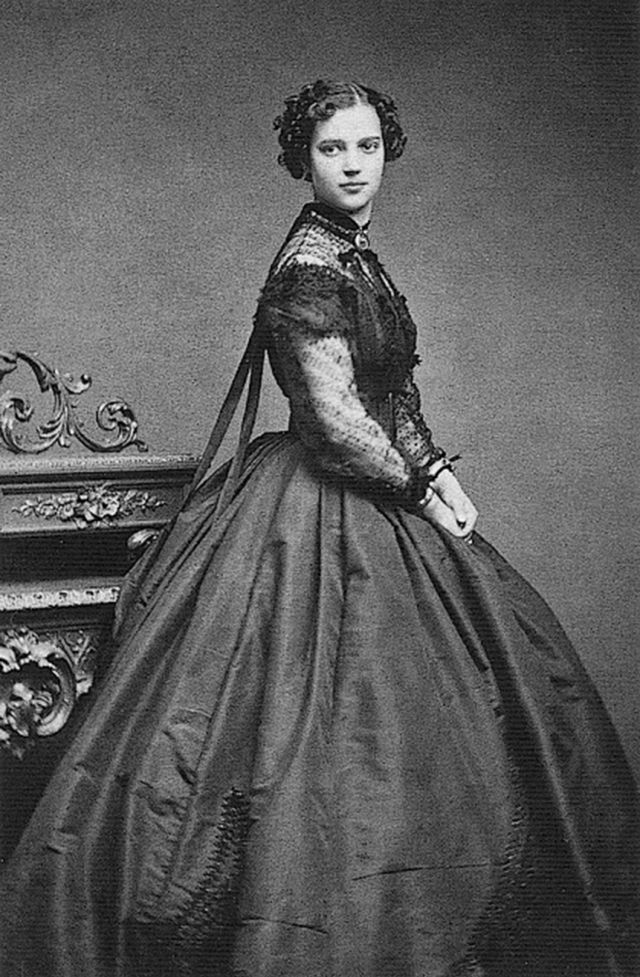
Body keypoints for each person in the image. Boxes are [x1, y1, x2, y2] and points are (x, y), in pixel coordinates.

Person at [0, 79, 638, 977]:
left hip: (379, 494)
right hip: (311, 506)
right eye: (333, 149)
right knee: (305, 726)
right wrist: (418, 486)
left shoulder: (355, 256)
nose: (353, 165)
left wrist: (439, 471)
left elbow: (392, 395)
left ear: (386, 152)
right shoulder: (309, 267)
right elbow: (335, 421)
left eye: (367, 146)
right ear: (303, 160)